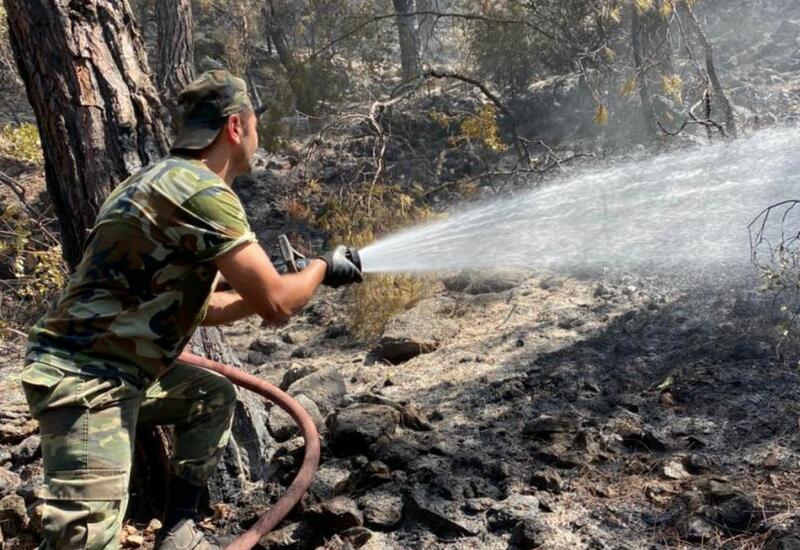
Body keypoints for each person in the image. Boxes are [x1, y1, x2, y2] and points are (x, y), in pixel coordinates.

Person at [19, 70, 363, 550]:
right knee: (82, 541)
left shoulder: (156, 180)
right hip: (87, 380)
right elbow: (279, 306)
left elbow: (205, 309)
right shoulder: (204, 192)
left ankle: (178, 530)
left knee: (210, 396)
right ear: (235, 128)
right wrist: (323, 268)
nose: (257, 135)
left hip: (120, 370)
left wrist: (276, 284)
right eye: (254, 124)